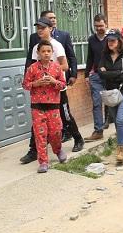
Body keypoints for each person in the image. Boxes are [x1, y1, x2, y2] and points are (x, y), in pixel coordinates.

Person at [19, 12, 82, 165]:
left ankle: (78, 138)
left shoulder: (57, 45)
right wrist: (35, 78)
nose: (40, 31)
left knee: (64, 116)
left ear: (50, 28)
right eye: (38, 28)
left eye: (43, 28)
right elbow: (33, 66)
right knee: (38, 124)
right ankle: (34, 151)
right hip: (40, 93)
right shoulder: (35, 46)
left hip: (56, 89)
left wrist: (51, 74)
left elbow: (65, 65)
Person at [23, 39, 67, 173]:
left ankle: (58, 150)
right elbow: (25, 84)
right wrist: (36, 84)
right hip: (37, 107)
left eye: (48, 51)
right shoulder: (32, 68)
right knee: (40, 135)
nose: (46, 54)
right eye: (43, 51)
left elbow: (63, 85)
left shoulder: (57, 67)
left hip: (53, 106)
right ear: (38, 53)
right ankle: (43, 162)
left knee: (56, 133)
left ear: (52, 53)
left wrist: (54, 81)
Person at [98, 30, 123, 163]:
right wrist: (117, 72)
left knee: (119, 121)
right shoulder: (104, 56)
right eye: (108, 41)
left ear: (119, 41)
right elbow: (100, 73)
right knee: (119, 122)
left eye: (113, 40)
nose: (110, 43)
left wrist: (108, 73)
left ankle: (120, 150)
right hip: (110, 94)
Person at [84, 14, 109, 141]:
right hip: (97, 76)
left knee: (114, 102)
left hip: (111, 76)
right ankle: (98, 130)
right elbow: (90, 57)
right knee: (97, 103)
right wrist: (87, 74)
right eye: (97, 26)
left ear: (106, 24)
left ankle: (119, 127)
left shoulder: (111, 38)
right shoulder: (91, 39)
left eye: (101, 26)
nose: (99, 28)